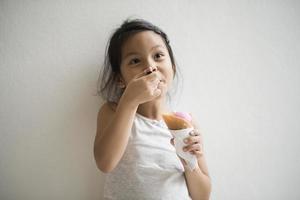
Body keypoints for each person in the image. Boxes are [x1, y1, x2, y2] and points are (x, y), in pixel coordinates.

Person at [94, 18, 211, 200]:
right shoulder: (114, 111)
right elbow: (105, 162)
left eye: (158, 56)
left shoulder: (185, 122)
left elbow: (202, 195)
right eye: (135, 61)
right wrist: (129, 101)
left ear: (171, 67)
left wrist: (189, 163)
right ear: (120, 80)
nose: (150, 67)